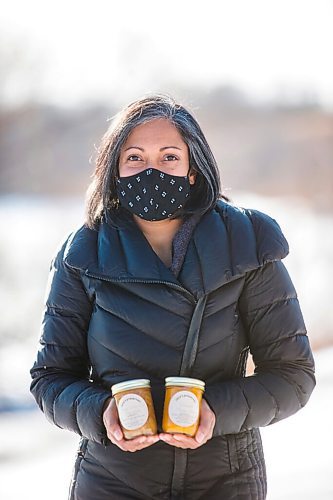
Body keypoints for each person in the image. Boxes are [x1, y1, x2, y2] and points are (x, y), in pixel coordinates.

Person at [30, 94, 315, 500]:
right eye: (135, 158)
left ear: (193, 169)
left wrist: (215, 412)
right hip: (113, 482)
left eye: (168, 157)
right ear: (114, 171)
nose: (152, 171)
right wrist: (100, 413)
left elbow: (293, 376)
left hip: (225, 481)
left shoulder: (248, 244)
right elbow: (50, 378)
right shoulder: (83, 253)